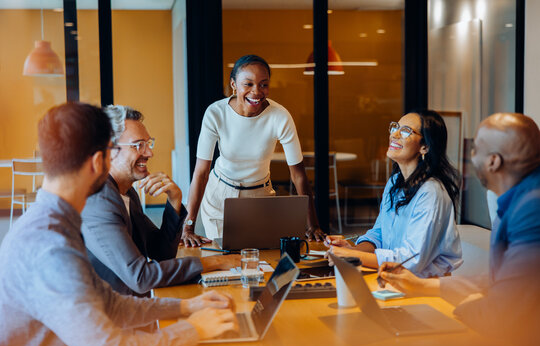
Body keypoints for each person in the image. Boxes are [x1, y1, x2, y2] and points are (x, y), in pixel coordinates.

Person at [0, 102, 237, 346]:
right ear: (100, 160)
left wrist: (187, 306)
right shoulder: (52, 246)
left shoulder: (55, 221)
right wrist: (194, 329)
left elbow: (109, 304)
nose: (149, 153)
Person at [378, 113, 540, 346]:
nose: (469, 156)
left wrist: (455, 315)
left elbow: (503, 311)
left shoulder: (531, 210)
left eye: (475, 149)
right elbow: (499, 281)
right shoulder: (514, 199)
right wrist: (423, 287)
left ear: (493, 162)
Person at [81, 105, 240, 297]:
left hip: (132, 305)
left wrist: (174, 201)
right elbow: (141, 277)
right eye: (138, 145)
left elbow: (161, 253)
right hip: (109, 316)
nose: (149, 153)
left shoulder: (126, 192)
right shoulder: (98, 201)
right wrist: (218, 261)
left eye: (148, 143)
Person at [182, 54, 325, 246]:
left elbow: (298, 175)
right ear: (234, 84)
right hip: (220, 197)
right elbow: (201, 173)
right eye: (248, 84)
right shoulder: (215, 113)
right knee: (226, 257)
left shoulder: (280, 116)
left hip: (261, 196)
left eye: (263, 84)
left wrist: (312, 225)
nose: (256, 91)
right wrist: (188, 226)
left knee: (262, 259)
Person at [326, 110, 463, 277]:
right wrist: (351, 251)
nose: (395, 134)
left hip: (425, 286)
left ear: (425, 147)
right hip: (392, 277)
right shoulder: (395, 182)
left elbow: (412, 260)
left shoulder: (431, 192)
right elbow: (379, 234)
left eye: (405, 131)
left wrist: (355, 256)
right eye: (395, 127)